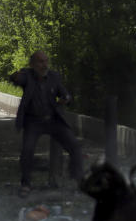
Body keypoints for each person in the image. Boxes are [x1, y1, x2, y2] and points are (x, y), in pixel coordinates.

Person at [10, 51, 84, 197]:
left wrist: (66, 98)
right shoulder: (27, 75)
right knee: (27, 150)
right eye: (40, 62)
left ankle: (78, 179)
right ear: (33, 64)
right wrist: (15, 76)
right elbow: (17, 79)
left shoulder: (54, 77)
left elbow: (65, 93)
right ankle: (26, 184)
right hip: (33, 121)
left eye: (46, 61)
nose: (44, 65)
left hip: (52, 119)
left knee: (74, 146)